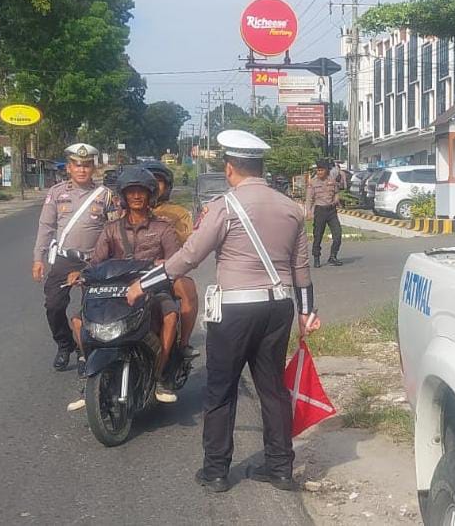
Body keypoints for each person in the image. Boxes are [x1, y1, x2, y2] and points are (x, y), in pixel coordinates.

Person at [126, 130, 320, 494]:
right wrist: (306, 312)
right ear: (261, 167)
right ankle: (280, 468)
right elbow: (301, 268)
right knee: (273, 389)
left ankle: (216, 471)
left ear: (230, 168)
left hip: (235, 310)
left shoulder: (223, 207)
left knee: (221, 389)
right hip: (279, 307)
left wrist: (144, 284)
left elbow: (189, 257)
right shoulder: (291, 208)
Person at [68, 167, 182, 408]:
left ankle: (160, 375)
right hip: (115, 292)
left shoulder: (163, 228)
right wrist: (81, 274)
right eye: (131, 192)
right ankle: (89, 372)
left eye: (142, 191)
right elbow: (96, 262)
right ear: (124, 196)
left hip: (152, 288)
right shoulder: (111, 229)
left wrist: (163, 264)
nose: (137, 196)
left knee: (170, 315)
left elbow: (176, 262)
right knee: (78, 320)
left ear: (150, 195)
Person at [32, 143, 116, 372]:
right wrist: (38, 258)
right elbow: (46, 226)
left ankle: (85, 348)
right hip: (65, 259)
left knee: (92, 307)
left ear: (93, 168)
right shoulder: (56, 193)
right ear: (68, 167)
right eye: (77, 165)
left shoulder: (106, 195)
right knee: (54, 305)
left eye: (86, 165)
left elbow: (114, 229)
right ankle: (65, 344)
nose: (82, 170)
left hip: (94, 261)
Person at [139, 161, 199, 358]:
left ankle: (184, 344)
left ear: (167, 186)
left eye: (158, 181)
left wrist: (165, 227)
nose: (153, 186)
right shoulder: (128, 209)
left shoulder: (178, 213)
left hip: (167, 270)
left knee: (187, 289)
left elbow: (188, 243)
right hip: (132, 270)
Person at [306, 160, 343, 268]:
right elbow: (309, 199)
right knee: (318, 235)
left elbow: (336, 193)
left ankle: (333, 256)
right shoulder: (313, 182)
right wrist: (308, 212)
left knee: (338, 234)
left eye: (321, 170)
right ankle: (316, 257)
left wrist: (336, 200)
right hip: (320, 210)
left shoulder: (332, 180)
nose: (319, 172)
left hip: (331, 211)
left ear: (326, 170)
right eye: (318, 170)